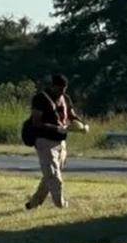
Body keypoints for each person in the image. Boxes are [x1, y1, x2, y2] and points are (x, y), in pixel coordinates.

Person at [26, 74, 88, 209]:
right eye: (59, 89)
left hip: (61, 143)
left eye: (64, 89)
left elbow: (71, 115)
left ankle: (33, 203)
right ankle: (61, 205)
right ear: (53, 86)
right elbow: (36, 122)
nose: (62, 92)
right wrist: (57, 128)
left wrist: (82, 125)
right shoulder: (40, 99)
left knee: (50, 176)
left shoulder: (65, 98)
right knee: (55, 177)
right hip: (45, 141)